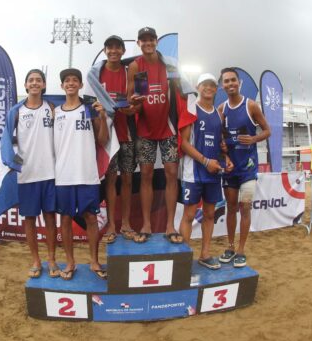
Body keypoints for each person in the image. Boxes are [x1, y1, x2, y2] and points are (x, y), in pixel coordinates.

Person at [127, 26, 182, 244]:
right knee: (147, 175)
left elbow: (180, 92)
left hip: (168, 126)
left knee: (171, 173)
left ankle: (170, 225)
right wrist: (134, 103)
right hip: (146, 128)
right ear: (139, 43)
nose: (148, 43)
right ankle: (147, 225)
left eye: (151, 39)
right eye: (144, 40)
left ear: (156, 41)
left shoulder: (169, 64)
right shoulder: (135, 66)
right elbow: (134, 98)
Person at [54, 68, 109, 280]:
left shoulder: (90, 109)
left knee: (91, 218)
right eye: (67, 80)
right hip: (64, 175)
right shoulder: (55, 113)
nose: (71, 83)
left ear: (80, 85)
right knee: (66, 219)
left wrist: (103, 117)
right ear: (62, 86)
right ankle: (70, 262)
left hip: (87, 174)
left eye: (75, 80)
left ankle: (94, 261)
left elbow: (102, 140)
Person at [179, 73, 233, 269]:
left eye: (212, 85)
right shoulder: (191, 109)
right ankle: (183, 258)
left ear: (216, 89)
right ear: (197, 87)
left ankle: (205, 254)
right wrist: (204, 161)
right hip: (194, 171)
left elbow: (219, 144)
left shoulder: (219, 114)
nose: (208, 88)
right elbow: (184, 143)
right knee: (189, 215)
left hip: (213, 172)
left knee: (210, 214)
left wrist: (225, 159)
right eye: (204, 85)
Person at [218, 68, 271, 267]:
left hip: (248, 166)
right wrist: (223, 151)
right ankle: (230, 247)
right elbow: (219, 137)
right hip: (230, 168)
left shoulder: (251, 105)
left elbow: (267, 130)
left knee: (245, 207)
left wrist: (254, 138)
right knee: (231, 208)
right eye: (226, 81)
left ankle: (241, 250)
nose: (230, 84)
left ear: (239, 83)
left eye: (233, 80)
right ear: (222, 86)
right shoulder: (221, 109)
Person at [15, 69, 60, 279]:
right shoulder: (16, 112)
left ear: (43, 85)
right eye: (31, 80)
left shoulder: (51, 108)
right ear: (25, 85)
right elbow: (8, 143)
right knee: (30, 220)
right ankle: (35, 260)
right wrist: (14, 164)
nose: (34, 83)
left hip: (50, 173)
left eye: (38, 80)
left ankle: (51, 259)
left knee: (50, 218)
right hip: (27, 175)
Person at [97, 35, 140, 243]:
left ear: (123, 51)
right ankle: (111, 225)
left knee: (128, 179)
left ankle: (126, 224)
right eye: (109, 47)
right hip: (109, 135)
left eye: (117, 48)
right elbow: (91, 103)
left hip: (128, 132)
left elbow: (138, 101)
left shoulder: (129, 71)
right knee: (111, 180)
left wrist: (133, 109)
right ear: (105, 50)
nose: (113, 51)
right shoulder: (96, 73)